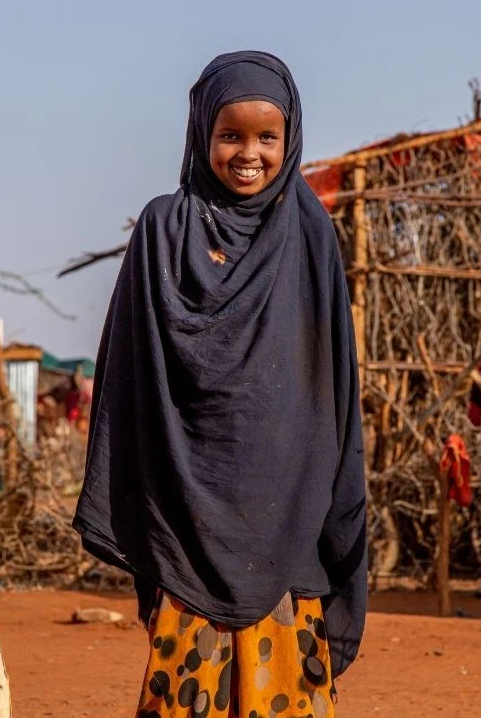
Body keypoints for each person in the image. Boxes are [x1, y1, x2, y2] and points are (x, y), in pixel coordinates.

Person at [73, 51, 367, 717]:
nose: (248, 154)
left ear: (290, 139)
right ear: (201, 134)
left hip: (287, 504)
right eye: (230, 135)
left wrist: (326, 487)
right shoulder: (162, 229)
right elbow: (131, 371)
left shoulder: (311, 230)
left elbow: (332, 376)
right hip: (187, 504)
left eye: (268, 137)